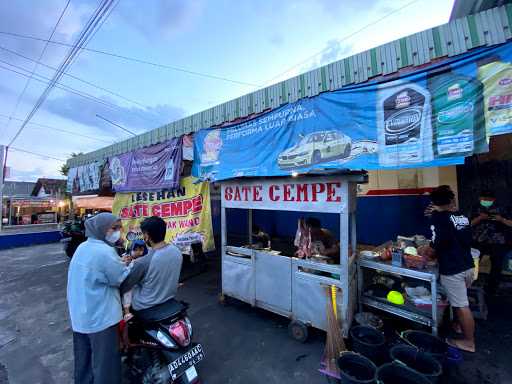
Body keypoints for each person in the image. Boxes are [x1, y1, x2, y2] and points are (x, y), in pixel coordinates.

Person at [67, 213, 130, 384]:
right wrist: (130, 265)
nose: (117, 232)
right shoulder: (103, 251)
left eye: (119, 228)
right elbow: (119, 278)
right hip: (101, 318)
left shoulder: (83, 248)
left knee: (84, 363)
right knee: (105, 364)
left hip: (81, 316)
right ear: (102, 229)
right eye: (114, 228)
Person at [429, 186, 476, 353]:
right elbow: (467, 238)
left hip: (453, 268)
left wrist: (427, 253)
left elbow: (437, 245)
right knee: (460, 301)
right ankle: (459, 326)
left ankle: (469, 342)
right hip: (468, 265)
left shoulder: (439, 218)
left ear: (434, 202)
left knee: (461, 305)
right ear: (451, 200)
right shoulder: (462, 217)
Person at [121, 216, 183, 311]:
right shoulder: (176, 251)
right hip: (168, 298)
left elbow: (125, 285)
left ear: (146, 235)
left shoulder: (142, 262)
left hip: (144, 305)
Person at [471, 190, 512, 295]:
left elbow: (510, 223)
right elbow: (469, 223)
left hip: (497, 241)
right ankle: (471, 283)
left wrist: (501, 219)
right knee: (473, 263)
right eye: (483, 199)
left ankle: (492, 287)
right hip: (478, 240)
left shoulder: (502, 208)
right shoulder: (476, 207)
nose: (485, 201)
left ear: (493, 200)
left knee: (496, 264)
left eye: (488, 200)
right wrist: (480, 218)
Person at [121, 240, 148, 320]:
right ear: (131, 249)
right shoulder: (125, 257)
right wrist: (124, 262)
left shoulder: (144, 259)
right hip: (130, 281)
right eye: (135, 250)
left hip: (140, 281)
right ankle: (127, 312)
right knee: (128, 291)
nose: (138, 252)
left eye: (141, 250)